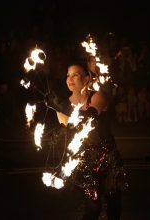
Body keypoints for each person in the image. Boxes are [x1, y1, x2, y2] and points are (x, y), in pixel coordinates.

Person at [45, 60, 127, 220]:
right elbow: (69, 129)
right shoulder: (64, 104)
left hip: (107, 157)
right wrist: (56, 136)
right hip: (86, 162)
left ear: (86, 79)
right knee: (92, 208)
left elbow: (90, 116)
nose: (70, 78)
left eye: (75, 75)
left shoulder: (97, 96)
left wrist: (60, 108)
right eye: (68, 75)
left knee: (114, 205)